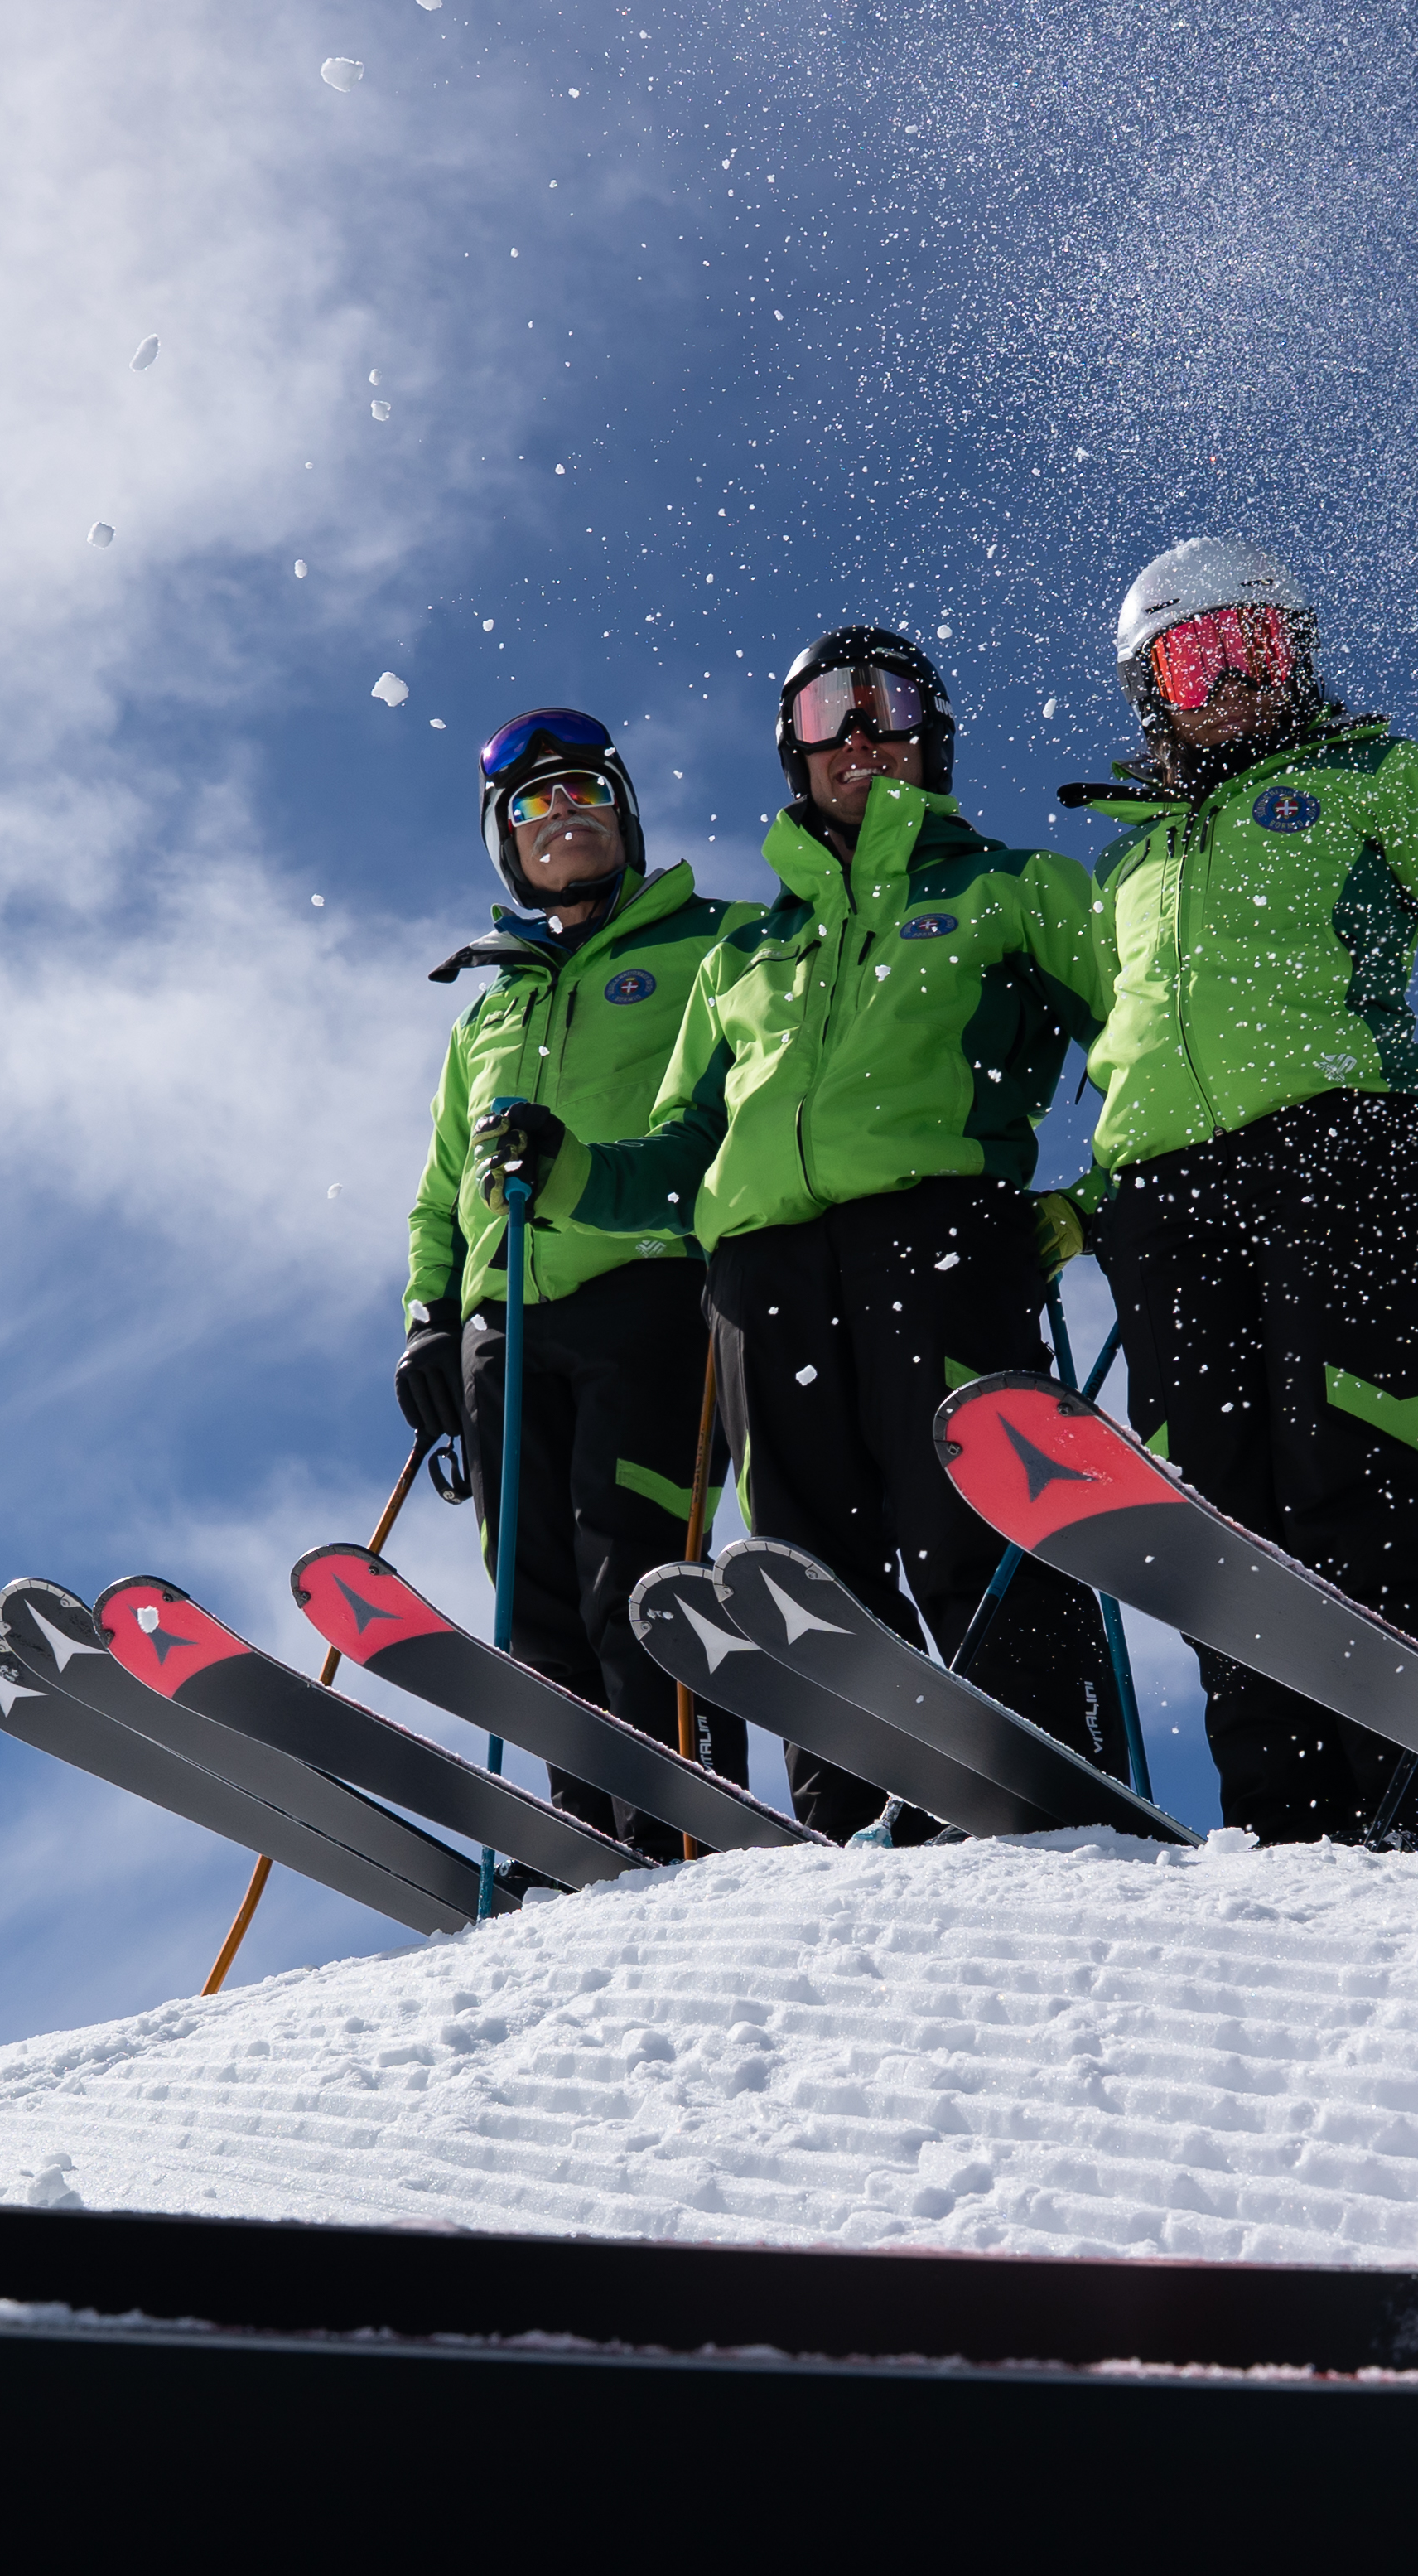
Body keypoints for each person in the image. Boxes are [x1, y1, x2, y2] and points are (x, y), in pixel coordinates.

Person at [518, 628, 1120, 1840]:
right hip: (760, 1275)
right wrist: (574, 1168)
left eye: (885, 705)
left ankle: (1037, 1789)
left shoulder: (1012, 886)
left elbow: (1144, 1042)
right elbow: (682, 1149)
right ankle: (851, 1817)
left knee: (969, 1522)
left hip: (936, 1234)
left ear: (929, 734)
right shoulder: (749, 948)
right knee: (803, 1573)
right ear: (790, 754)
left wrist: (1093, 1201)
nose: (858, 736)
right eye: (823, 716)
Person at [1058, 542, 1418, 1847]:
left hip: (1347, 1162)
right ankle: (1288, 1840)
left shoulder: (1377, 779)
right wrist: (1087, 1201)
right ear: (1151, 692)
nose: (1231, 678)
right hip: (1168, 1204)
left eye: (1258, 646)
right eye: (1195, 657)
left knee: (1353, 1485)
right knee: (1219, 1536)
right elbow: (1126, 1047)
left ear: (1300, 651)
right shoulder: (1131, 864)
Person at [395, 708, 755, 1854]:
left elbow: (736, 1113)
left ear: (626, 816)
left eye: (584, 795)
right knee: (532, 1596)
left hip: (649, 1292)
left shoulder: (712, 945)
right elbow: (441, 1180)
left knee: (635, 1572)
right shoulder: (488, 1008)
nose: (562, 821)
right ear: (505, 843)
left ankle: (684, 1821)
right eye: (532, 807)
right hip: (504, 1322)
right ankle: (584, 1837)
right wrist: (429, 1319)